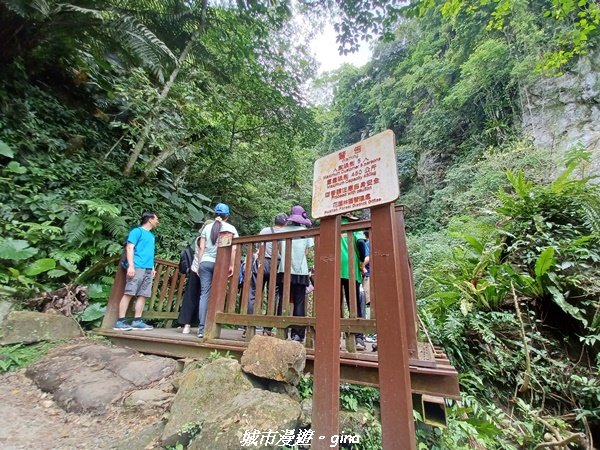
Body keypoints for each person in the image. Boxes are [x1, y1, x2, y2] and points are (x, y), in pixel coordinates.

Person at [197, 203, 239, 338]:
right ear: (227, 216)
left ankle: (202, 329)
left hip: (205, 262)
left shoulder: (207, 227)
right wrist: (231, 265)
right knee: (219, 294)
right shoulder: (230, 228)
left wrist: (199, 264)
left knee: (204, 295)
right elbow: (233, 249)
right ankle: (213, 326)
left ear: (214, 214)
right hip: (220, 265)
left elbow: (201, 248)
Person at [113, 211, 159, 331]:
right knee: (129, 292)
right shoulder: (136, 232)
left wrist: (153, 267)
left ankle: (137, 321)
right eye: (156, 219)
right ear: (150, 219)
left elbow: (150, 253)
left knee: (143, 294)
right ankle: (120, 321)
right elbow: (130, 247)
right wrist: (131, 266)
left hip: (148, 268)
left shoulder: (151, 236)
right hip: (137, 266)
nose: (157, 222)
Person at [275, 205, 314, 342]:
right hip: (300, 270)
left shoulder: (283, 231)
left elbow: (280, 250)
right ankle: (298, 334)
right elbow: (306, 252)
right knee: (299, 301)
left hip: (284, 269)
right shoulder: (305, 232)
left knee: (283, 300)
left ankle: (281, 330)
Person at [247, 213, 287, 323]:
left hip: (261, 262)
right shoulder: (286, 233)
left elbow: (258, 246)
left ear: (274, 221)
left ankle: (249, 324)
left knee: (254, 292)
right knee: (273, 294)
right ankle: (268, 327)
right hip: (276, 264)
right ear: (286, 223)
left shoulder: (264, 230)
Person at [178, 220, 214, 334]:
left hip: (202, 269)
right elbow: (201, 252)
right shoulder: (200, 239)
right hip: (197, 270)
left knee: (201, 297)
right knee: (192, 297)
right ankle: (187, 324)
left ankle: (199, 324)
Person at [340, 214, 368, 350]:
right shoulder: (355, 228)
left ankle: (335, 336)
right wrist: (362, 263)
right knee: (354, 302)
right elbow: (361, 243)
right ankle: (358, 338)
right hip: (351, 269)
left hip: (334, 270)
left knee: (335, 304)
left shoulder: (336, 226)